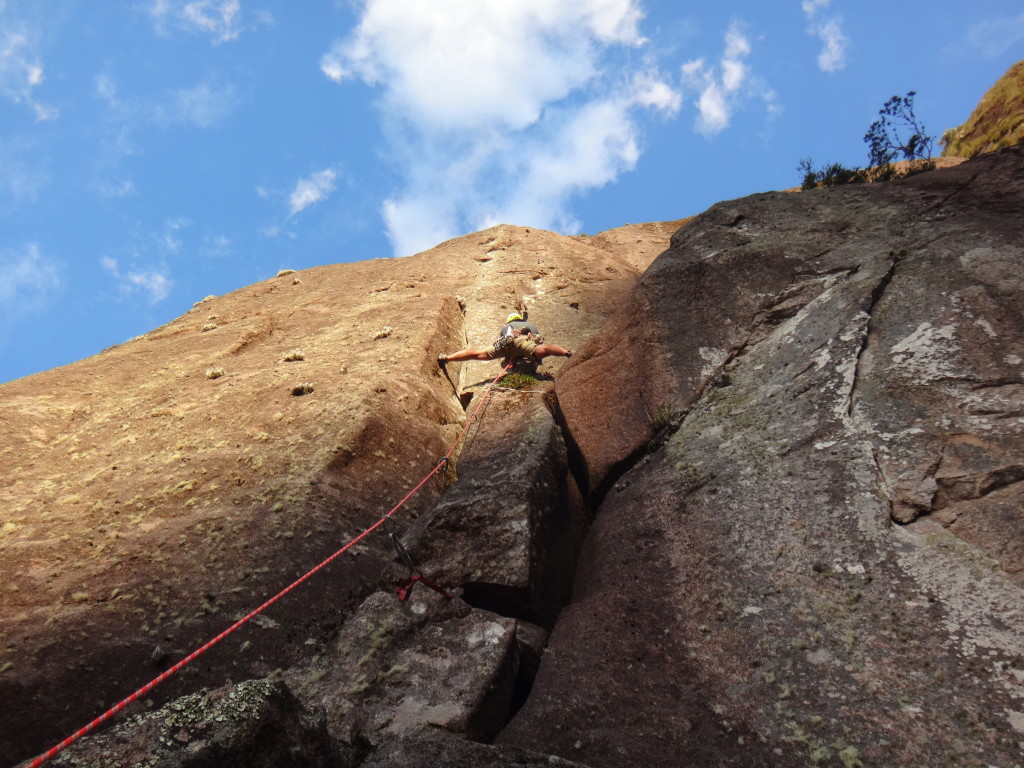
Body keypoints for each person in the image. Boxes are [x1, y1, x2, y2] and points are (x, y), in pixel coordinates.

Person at [438, 313, 572, 368]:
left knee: (477, 354)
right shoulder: (531, 326)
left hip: (506, 344)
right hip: (523, 342)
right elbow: (535, 341)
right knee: (545, 350)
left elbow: (504, 341)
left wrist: (509, 357)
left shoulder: (507, 327)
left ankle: (447, 358)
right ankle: (567, 353)